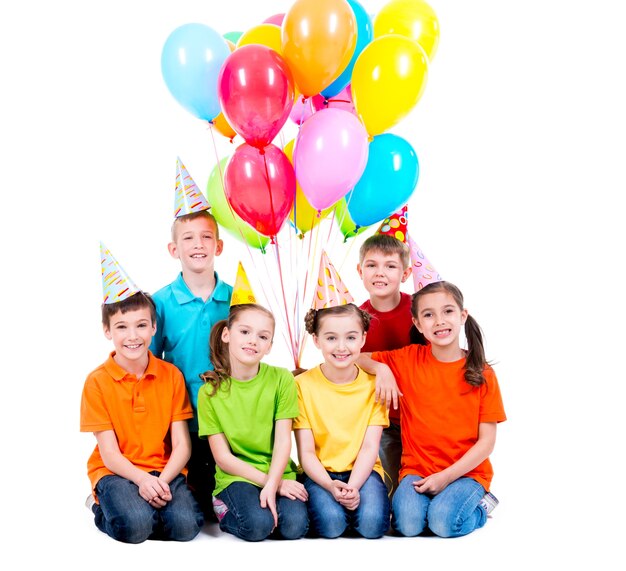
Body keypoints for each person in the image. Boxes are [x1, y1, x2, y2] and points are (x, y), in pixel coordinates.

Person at [358, 280, 507, 538]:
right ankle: (441, 506)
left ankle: (481, 506)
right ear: (417, 324)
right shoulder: (408, 359)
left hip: (466, 473)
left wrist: (446, 478)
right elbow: (354, 355)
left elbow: (486, 443)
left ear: (462, 316)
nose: (439, 321)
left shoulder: (482, 372)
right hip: (417, 469)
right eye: (428, 315)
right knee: (407, 526)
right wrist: (381, 368)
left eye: (447, 311)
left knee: (444, 523)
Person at [81, 244, 203, 543]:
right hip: (117, 471)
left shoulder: (170, 375)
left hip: (162, 469)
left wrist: (159, 481)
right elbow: (109, 453)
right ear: (107, 331)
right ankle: (100, 505)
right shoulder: (97, 382)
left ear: (153, 327)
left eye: (140, 326)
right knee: (134, 528)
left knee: (186, 528)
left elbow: (182, 446)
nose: (132, 336)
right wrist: (140, 480)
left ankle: (142, 511)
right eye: (121, 327)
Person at [150, 158, 233, 518]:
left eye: (206, 237)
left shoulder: (236, 297)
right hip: (180, 414)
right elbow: (150, 361)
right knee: (191, 495)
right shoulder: (160, 302)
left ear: (218, 246)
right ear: (174, 250)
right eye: (188, 238)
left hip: (229, 410)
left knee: (224, 480)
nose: (197, 245)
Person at [294, 251, 390, 539]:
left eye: (350, 337)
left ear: (362, 338)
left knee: (373, 526)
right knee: (332, 525)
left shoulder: (372, 385)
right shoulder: (303, 386)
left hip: (363, 470)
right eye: (331, 338)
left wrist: (354, 486)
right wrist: (330, 486)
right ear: (316, 340)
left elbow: (369, 448)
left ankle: (354, 507)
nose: (342, 347)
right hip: (319, 473)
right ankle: (336, 510)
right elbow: (306, 452)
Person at [197, 298, 309, 542]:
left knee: (295, 527)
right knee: (257, 526)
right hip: (236, 476)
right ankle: (222, 506)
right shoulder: (209, 392)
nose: (252, 341)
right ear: (226, 334)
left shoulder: (281, 379)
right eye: (245, 332)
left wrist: (276, 481)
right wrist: (271, 485)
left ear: (269, 345)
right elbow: (223, 458)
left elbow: (282, 442)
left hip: (277, 470)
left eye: (262, 336)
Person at [357, 225, 427, 496]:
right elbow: (348, 358)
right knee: (393, 490)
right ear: (359, 271)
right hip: (382, 421)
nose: (380, 273)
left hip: (421, 416)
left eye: (390, 266)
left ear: (406, 273)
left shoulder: (420, 310)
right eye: (372, 265)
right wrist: (379, 367)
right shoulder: (356, 318)